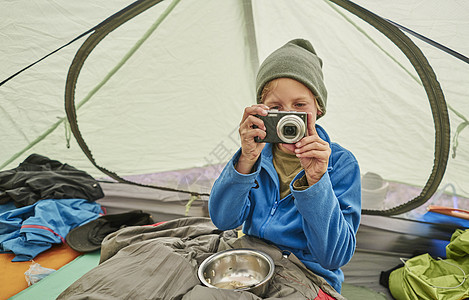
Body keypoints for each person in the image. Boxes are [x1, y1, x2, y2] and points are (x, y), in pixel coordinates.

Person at [208, 38, 361, 294]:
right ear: (261, 112)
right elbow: (223, 220)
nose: (288, 117)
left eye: (299, 106)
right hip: (253, 265)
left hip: (310, 275)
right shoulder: (256, 153)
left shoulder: (340, 164)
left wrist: (316, 181)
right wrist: (245, 160)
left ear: (318, 109)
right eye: (276, 108)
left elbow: (334, 257)